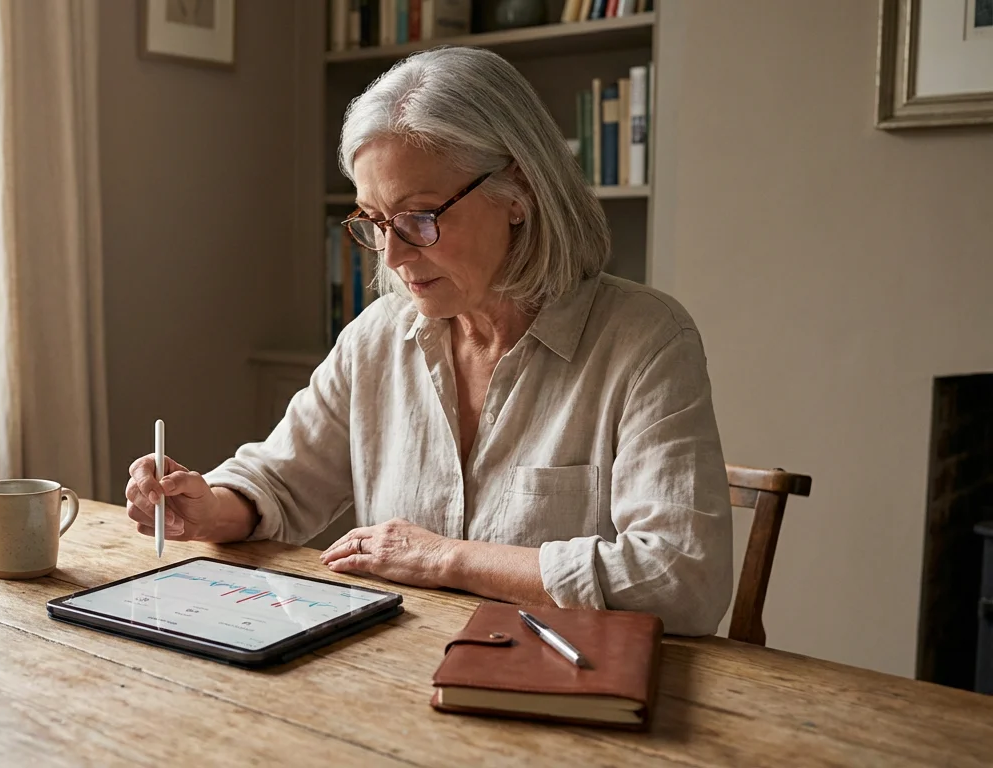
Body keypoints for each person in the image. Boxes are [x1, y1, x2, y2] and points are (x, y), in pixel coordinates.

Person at [126, 46, 732, 636]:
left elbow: (682, 579)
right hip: (393, 681)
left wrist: (445, 558)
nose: (392, 254)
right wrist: (209, 506)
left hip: (563, 696)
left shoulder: (646, 340)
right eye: (374, 220)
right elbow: (282, 484)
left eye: (418, 217)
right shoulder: (377, 338)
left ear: (516, 191)